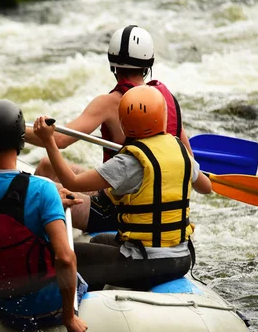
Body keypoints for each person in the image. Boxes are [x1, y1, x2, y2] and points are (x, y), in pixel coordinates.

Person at [33, 86, 212, 291]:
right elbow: (206, 188)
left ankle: (82, 304)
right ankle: (95, 293)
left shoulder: (129, 162)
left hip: (147, 265)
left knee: (75, 254)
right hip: (182, 259)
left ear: (124, 123)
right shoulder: (181, 151)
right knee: (100, 240)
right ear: (162, 117)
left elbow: (72, 182)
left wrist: (49, 141)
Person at [25, 25, 193, 233]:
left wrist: (13, 130)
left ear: (112, 64)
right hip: (161, 208)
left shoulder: (110, 102)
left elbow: (58, 139)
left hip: (120, 212)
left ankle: (32, 245)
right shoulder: (165, 101)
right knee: (46, 164)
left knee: (41, 192)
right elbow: (189, 158)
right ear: (148, 64)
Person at [0, 99, 88, 332]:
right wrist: (69, 317)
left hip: (5, 309)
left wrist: (49, 206)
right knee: (79, 275)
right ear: (20, 140)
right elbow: (65, 259)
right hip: (47, 309)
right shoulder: (42, 190)